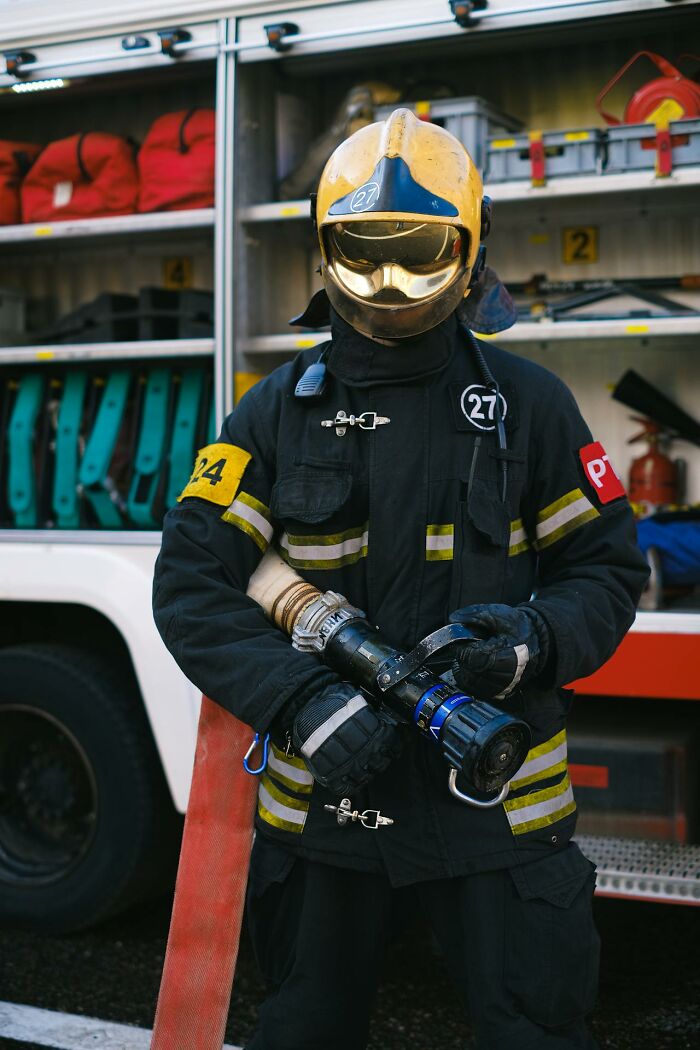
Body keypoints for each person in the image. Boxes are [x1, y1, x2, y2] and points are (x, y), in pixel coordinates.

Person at [153, 109, 649, 1050]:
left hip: (496, 816)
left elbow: (605, 567)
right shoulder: (274, 414)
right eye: (362, 252)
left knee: (534, 1035)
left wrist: (531, 643)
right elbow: (192, 583)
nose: (387, 284)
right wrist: (299, 700)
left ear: (470, 248)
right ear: (324, 249)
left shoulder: (527, 407)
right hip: (327, 813)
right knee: (304, 1031)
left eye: (416, 252)